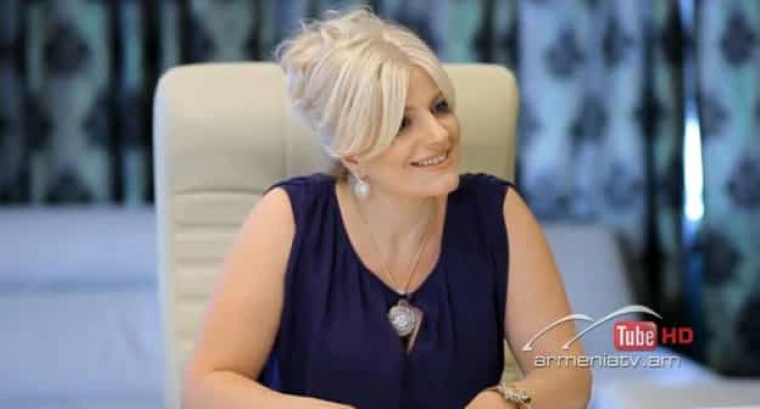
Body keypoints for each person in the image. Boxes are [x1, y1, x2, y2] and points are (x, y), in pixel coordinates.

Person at [182, 8, 591, 409]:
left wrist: (502, 403)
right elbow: (205, 389)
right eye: (402, 124)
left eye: (439, 107)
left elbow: (569, 376)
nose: (438, 135)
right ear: (353, 154)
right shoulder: (287, 218)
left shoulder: (498, 212)